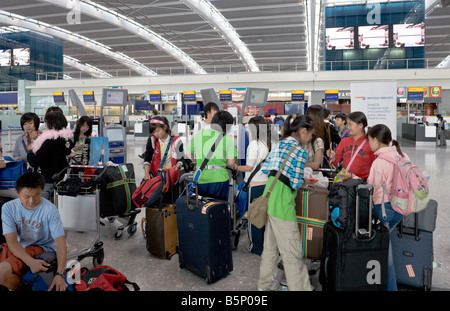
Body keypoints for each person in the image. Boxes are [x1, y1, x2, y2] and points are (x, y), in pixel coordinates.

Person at [257, 114, 315, 292]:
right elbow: (296, 182)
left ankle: (264, 287)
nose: (310, 138)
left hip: (270, 197)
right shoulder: (299, 151)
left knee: (270, 250)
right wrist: (305, 181)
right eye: (310, 135)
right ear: (303, 132)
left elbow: (266, 168)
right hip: (283, 204)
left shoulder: (280, 144)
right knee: (292, 253)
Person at [0, 172, 67, 291]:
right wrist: (30, 262)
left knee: (1, 273)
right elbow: (12, 241)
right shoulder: (8, 208)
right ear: (17, 192)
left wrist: (60, 274)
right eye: (26, 196)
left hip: (42, 248)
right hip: (19, 247)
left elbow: (60, 242)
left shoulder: (50, 210)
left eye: (37, 195)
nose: (31, 201)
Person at [367, 124, 408, 291]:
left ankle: (390, 288)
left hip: (384, 210)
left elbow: (372, 188)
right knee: (387, 248)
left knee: (386, 255)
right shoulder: (402, 155)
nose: (369, 144)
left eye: (369, 140)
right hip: (400, 209)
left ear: (376, 140)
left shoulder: (379, 163)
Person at [188, 110, 237, 201]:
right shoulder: (227, 139)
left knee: (202, 208)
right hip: (219, 179)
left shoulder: (199, 134)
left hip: (200, 177)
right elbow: (231, 163)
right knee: (218, 208)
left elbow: (188, 152)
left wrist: (195, 160)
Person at [27, 110, 72, 201]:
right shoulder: (66, 139)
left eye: (46, 122)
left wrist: (30, 151)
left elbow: (34, 162)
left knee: (43, 210)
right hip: (61, 180)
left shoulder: (49, 141)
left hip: (48, 181)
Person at [328, 111, 376, 180]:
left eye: (350, 124)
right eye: (347, 124)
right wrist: (332, 155)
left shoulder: (370, 143)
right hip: (345, 184)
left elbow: (375, 167)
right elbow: (335, 160)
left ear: (360, 125)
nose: (348, 127)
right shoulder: (344, 141)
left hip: (362, 184)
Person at [143, 116, 191, 180]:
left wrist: (177, 166)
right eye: (153, 132)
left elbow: (181, 158)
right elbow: (147, 159)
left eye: (157, 131)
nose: (156, 134)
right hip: (156, 175)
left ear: (165, 127)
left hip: (172, 176)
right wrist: (146, 174)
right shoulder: (152, 140)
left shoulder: (176, 140)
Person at [304, 106, 326, 170]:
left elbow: (316, 164)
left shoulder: (317, 140)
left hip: (312, 177)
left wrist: (297, 164)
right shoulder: (317, 139)